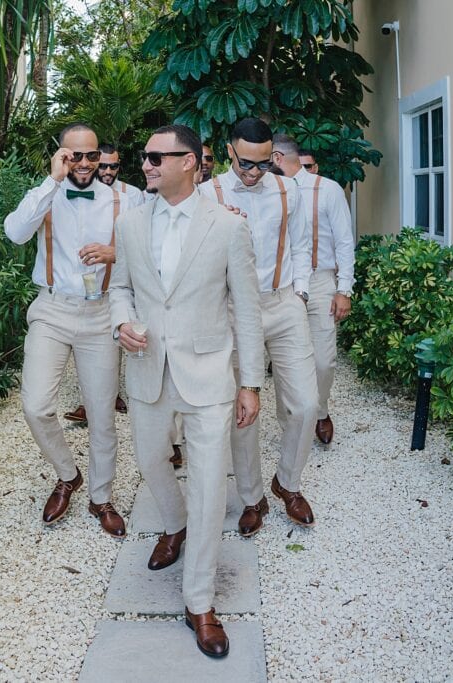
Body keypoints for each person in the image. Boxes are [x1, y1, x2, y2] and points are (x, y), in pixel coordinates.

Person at [110, 124, 264, 659]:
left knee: (207, 485)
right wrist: (121, 324)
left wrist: (250, 382)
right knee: (151, 461)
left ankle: (199, 601)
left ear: (192, 162)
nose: (146, 164)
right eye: (145, 157)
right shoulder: (128, 224)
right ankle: (173, 526)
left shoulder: (227, 227)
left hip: (209, 374)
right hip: (148, 368)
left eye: (157, 156)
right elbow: (121, 289)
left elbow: (246, 309)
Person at [3, 123, 133, 539]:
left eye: (91, 155)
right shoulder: (45, 195)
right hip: (53, 308)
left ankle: (101, 496)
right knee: (36, 404)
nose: (83, 163)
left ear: (102, 158)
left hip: (101, 315)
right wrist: (50, 181)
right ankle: (67, 474)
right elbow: (15, 232)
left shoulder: (122, 200)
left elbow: (156, 248)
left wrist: (116, 252)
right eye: (73, 155)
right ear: (60, 155)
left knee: (101, 415)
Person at [200, 118, 319, 536]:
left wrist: (300, 294)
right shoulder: (206, 195)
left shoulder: (289, 189)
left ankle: (287, 482)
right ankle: (252, 496)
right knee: (243, 412)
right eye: (246, 164)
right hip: (234, 311)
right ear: (229, 152)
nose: (254, 173)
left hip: (284, 303)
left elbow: (302, 244)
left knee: (305, 404)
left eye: (264, 164)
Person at [272, 134, 354, 444]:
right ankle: (289, 420)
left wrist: (343, 288)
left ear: (278, 157)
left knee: (323, 359)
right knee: (285, 358)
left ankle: (319, 410)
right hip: (284, 285)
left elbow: (345, 241)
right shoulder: (269, 189)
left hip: (320, 281)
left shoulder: (328, 189)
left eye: (269, 157)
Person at [62, 142, 147, 425]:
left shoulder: (132, 196)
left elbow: (145, 241)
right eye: (104, 165)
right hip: (86, 289)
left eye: (114, 166)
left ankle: (120, 397)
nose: (108, 170)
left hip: (121, 283)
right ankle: (97, 400)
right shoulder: (73, 192)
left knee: (126, 340)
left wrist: (115, 254)